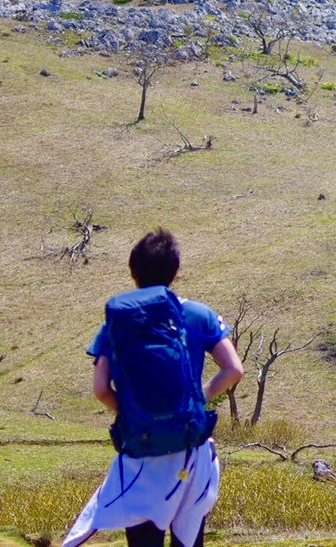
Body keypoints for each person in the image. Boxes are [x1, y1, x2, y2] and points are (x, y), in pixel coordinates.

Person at [62, 229, 244, 547]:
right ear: (175, 271)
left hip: (141, 449)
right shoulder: (199, 314)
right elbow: (234, 370)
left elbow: (102, 390)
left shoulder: (117, 323)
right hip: (191, 446)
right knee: (189, 540)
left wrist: (134, 411)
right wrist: (196, 399)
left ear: (133, 273)